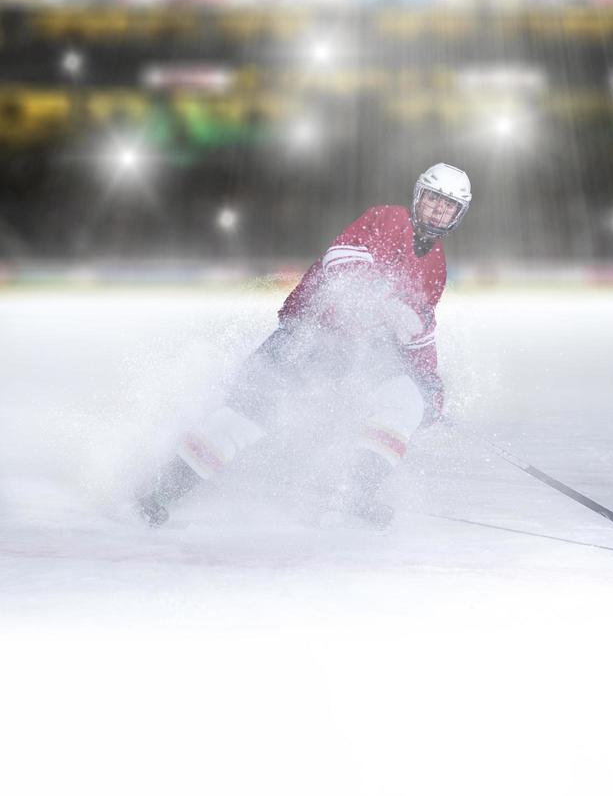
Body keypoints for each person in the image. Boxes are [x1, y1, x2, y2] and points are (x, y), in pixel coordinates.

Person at [137, 162, 472, 528]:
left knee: (406, 400)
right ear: (418, 196)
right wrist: (385, 300)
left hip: (355, 356)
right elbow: (339, 261)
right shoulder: (388, 219)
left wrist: (429, 382)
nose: (439, 209)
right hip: (309, 335)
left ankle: (355, 493)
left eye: (449, 205)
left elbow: (418, 331)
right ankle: (160, 489)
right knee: (248, 415)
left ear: (457, 215)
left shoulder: (436, 265)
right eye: (434, 199)